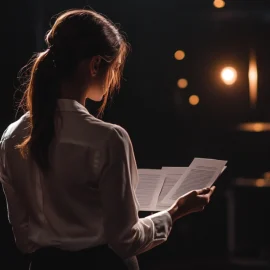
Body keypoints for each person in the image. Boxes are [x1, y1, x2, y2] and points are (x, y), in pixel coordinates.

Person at [0, 9, 215, 270]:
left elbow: (23, 238)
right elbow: (126, 241)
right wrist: (176, 211)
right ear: (94, 65)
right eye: (114, 68)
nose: (114, 79)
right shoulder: (108, 138)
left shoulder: (11, 137)